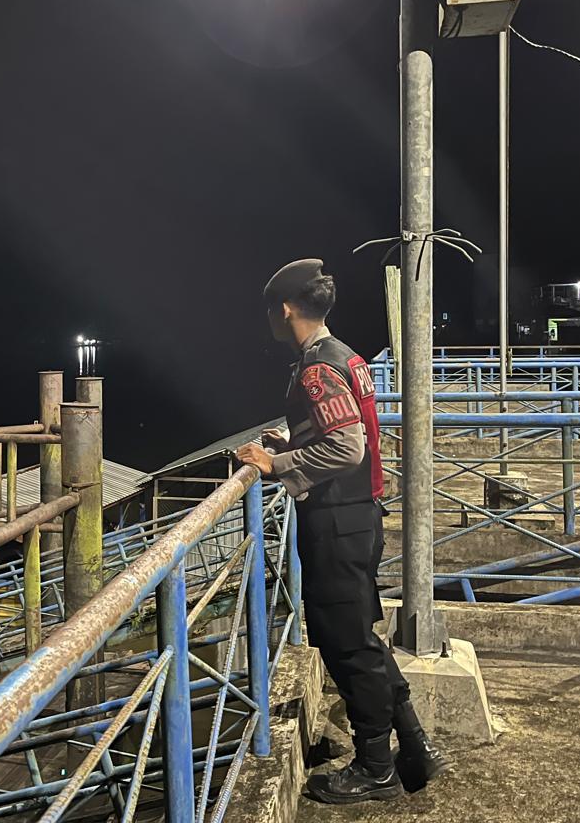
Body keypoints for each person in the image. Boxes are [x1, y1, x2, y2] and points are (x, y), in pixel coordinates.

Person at [235, 258, 447, 804]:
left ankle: (376, 768)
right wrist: (290, 448)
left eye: (270, 312)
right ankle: (415, 748)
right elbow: (341, 434)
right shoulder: (347, 355)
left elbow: (346, 446)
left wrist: (274, 465)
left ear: (285, 310)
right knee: (361, 638)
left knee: (346, 644)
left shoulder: (316, 367)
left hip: (337, 522)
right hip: (359, 515)